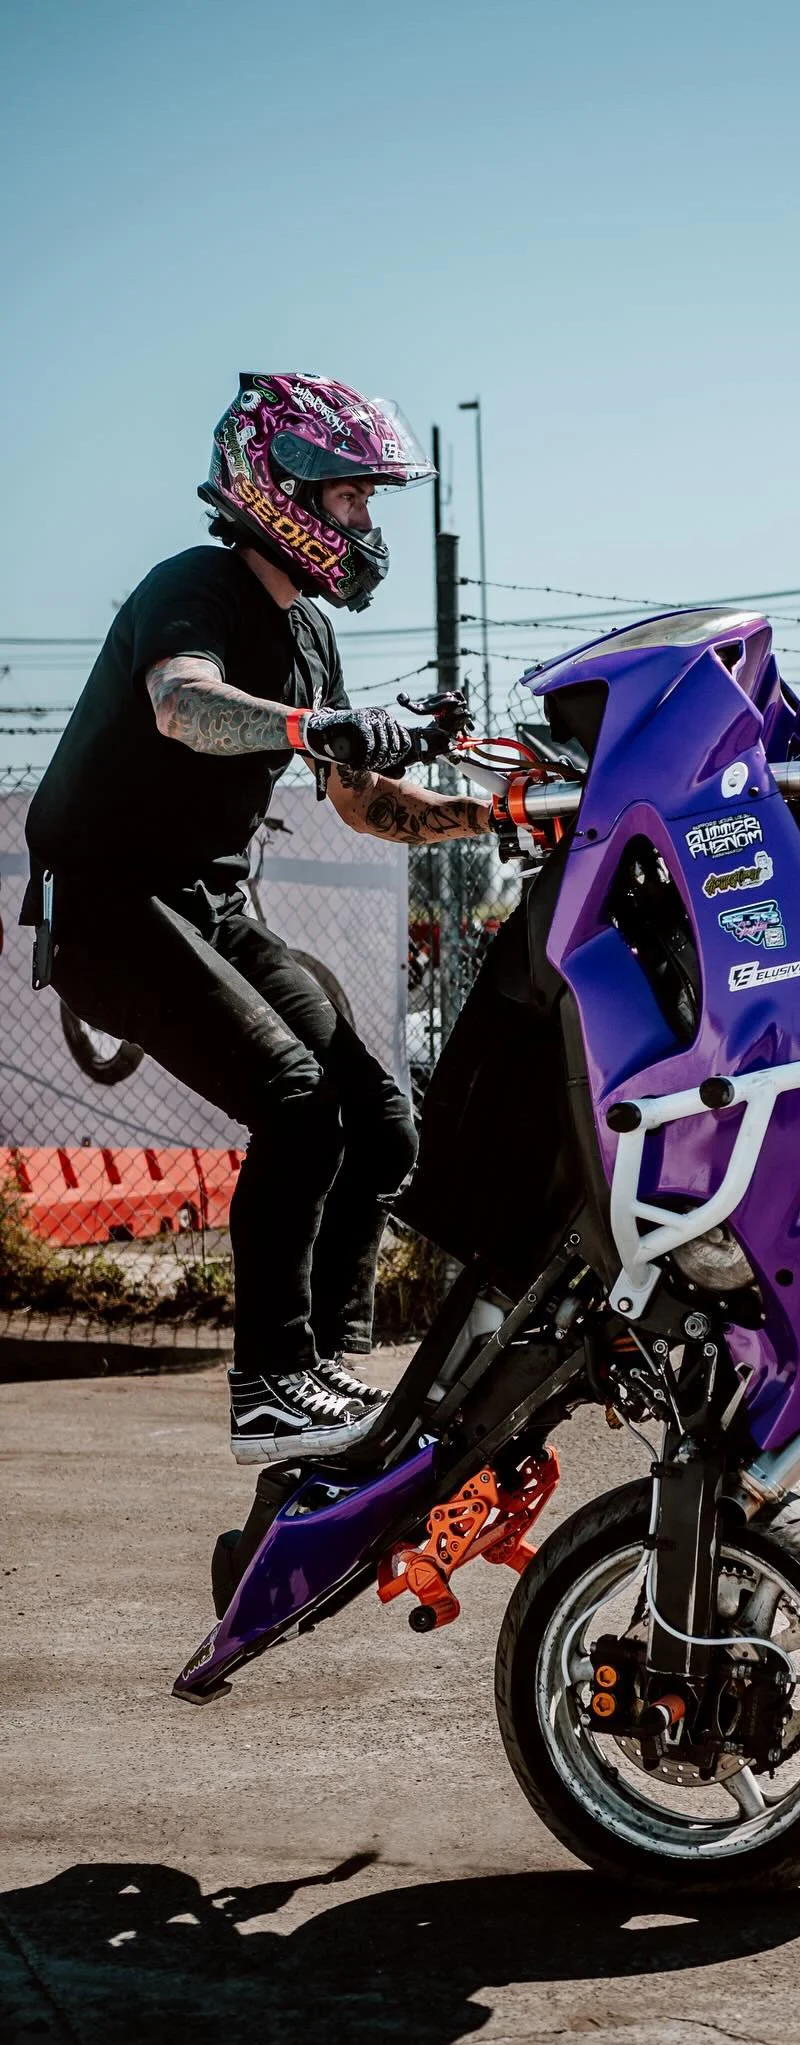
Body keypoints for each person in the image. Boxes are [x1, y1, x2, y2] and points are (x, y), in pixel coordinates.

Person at [22, 373, 493, 1463]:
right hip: (108, 905)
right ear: (282, 490)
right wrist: (320, 724)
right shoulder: (197, 586)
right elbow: (183, 705)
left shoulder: (311, 634)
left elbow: (363, 802)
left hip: (209, 905)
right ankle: (268, 1387)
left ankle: (328, 1377)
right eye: (351, 499)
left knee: (380, 1122)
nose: (366, 524)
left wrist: (496, 808)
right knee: (293, 1103)